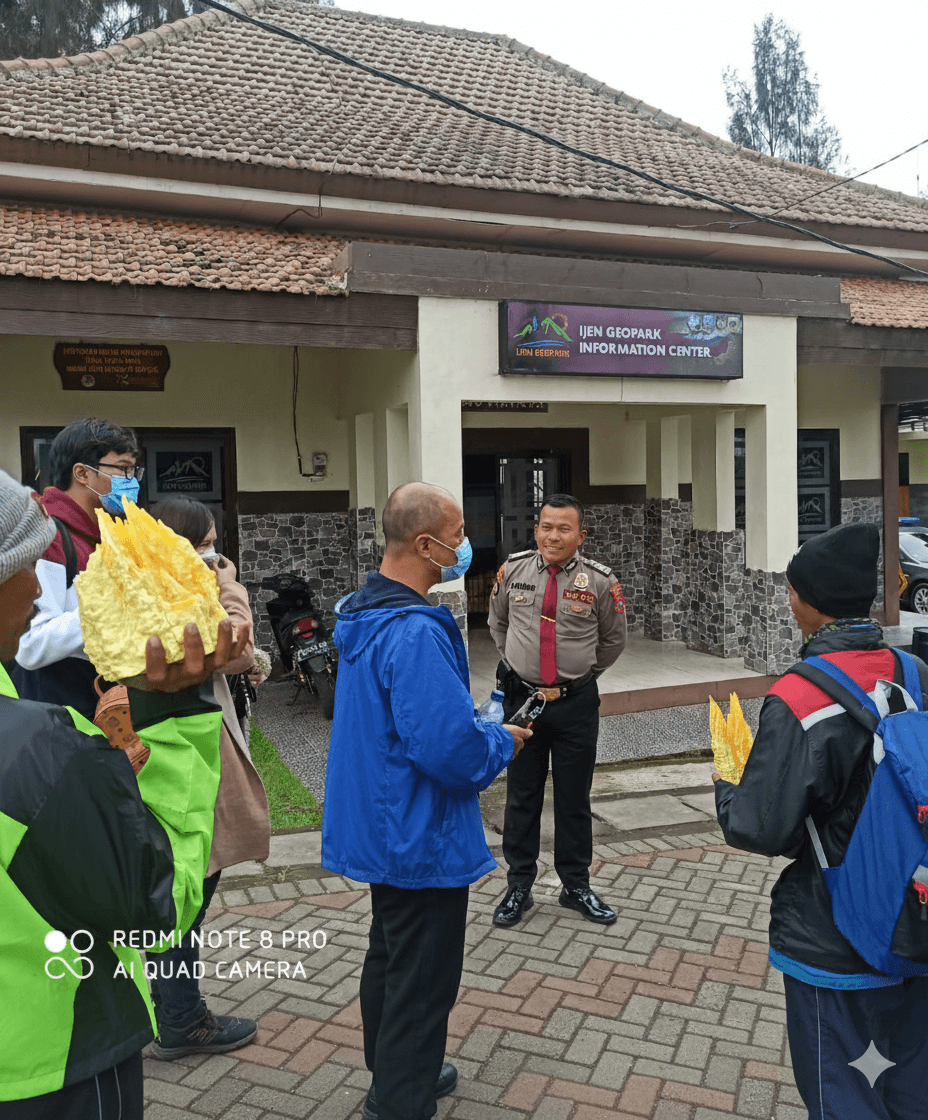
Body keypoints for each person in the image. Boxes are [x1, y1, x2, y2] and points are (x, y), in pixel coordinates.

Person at [0, 469, 250, 1119]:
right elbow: (153, 902)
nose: (39, 589)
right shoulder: (33, 754)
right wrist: (173, 714)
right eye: (31, 564)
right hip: (53, 1062)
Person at [321, 482, 532, 1120]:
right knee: (423, 975)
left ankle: (395, 1069)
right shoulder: (413, 629)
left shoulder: (363, 613)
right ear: (424, 544)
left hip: (383, 820)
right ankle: (400, 1099)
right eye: (459, 533)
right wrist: (500, 742)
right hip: (418, 830)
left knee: (391, 953)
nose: (466, 544)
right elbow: (447, 751)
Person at [715, 522, 928, 1120]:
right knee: (911, 1089)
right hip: (916, 914)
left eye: (791, 589)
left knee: (843, 1098)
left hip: (833, 940)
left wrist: (727, 782)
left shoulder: (800, 696)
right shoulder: (916, 674)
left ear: (806, 602)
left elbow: (761, 827)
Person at [134, 496, 271, 1058]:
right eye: (211, 541)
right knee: (184, 895)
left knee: (173, 893)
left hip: (150, 752)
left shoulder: (133, 588)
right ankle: (182, 1020)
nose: (217, 551)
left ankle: (170, 1010)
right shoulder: (181, 592)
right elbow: (236, 647)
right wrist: (227, 582)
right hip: (183, 754)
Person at [488, 494, 626, 927]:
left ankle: (576, 885)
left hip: (575, 705)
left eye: (564, 528)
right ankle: (519, 886)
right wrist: (522, 668)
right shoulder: (513, 571)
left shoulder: (601, 582)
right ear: (536, 530)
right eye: (546, 526)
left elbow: (612, 641)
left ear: (580, 535)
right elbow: (498, 624)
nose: (553, 536)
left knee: (573, 798)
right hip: (523, 703)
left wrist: (575, 679)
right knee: (522, 796)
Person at [12, 417, 142, 719]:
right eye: (122, 468)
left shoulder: (109, 535)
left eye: (134, 470)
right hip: (56, 714)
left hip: (101, 706)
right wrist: (115, 606)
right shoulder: (47, 536)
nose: (132, 480)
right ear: (82, 473)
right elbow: (30, 644)